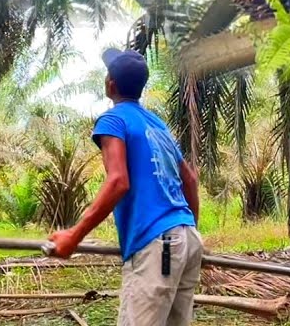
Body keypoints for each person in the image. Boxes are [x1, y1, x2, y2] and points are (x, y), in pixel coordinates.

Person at [48, 48, 203, 325]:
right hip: (187, 239)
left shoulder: (113, 120)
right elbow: (189, 179)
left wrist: (74, 235)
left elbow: (118, 181)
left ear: (110, 84)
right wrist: (188, 233)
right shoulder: (157, 125)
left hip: (159, 244)